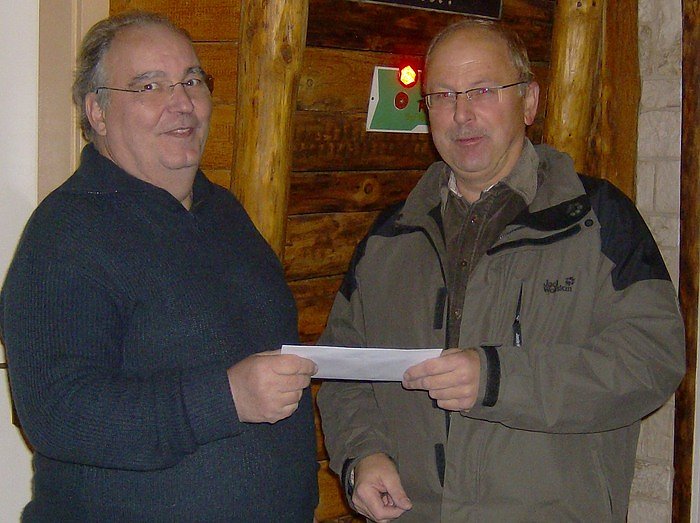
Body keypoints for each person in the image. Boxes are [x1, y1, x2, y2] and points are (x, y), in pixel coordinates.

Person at [317, 18, 685, 522]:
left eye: (483, 90)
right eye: (443, 95)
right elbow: (345, 369)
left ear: (528, 102)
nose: (461, 114)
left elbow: (652, 360)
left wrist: (498, 380)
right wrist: (363, 454)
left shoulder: (596, 219)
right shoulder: (390, 238)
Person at [0, 11, 318, 521]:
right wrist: (226, 398)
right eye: (149, 86)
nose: (182, 102)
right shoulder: (65, 233)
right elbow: (58, 414)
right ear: (97, 112)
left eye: (192, 80)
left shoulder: (226, 215)